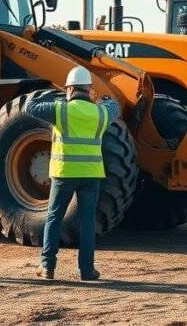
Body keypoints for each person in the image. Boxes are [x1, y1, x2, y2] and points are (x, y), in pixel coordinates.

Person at [26, 66, 120, 281]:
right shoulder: (100, 113)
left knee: (54, 217)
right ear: (88, 90)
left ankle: (48, 267)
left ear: (69, 89)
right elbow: (114, 107)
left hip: (64, 173)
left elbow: (31, 107)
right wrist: (104, 99)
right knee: (87, 221)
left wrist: (46, 92)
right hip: (90, 175)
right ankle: (87, 271)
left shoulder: (60, 110)